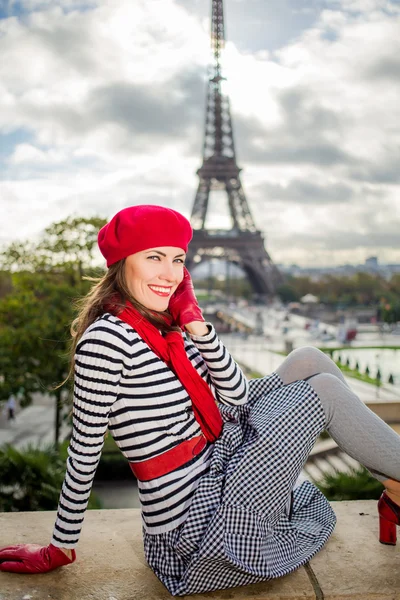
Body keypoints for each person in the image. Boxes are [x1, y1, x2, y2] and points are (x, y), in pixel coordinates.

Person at [0, 204, 399, 594]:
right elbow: (84, 448)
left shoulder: (168, 326)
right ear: (122, 264)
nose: (170, 274)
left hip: (218, 462)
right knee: (324, 391)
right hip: (199, 525)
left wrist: (196, 324)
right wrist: (60, 546)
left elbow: (236, 394)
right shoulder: (106, 340)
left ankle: (395, 490)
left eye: (178, 260)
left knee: (308, 358)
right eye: (154, 257)